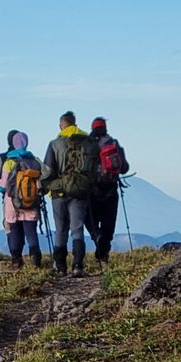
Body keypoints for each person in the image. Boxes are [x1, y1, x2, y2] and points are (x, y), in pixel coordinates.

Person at [41, 110, 97, 277]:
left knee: (61, 229)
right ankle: (78, 265)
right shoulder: (88, 143)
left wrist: (44, 185)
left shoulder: (54, 144)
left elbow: (47, 170)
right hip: (80, 192)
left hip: (58, 192)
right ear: (75, 124)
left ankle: (60, 267)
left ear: (61, 125)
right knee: (77, 229)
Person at [0, 130, 43, 268]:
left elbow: (2, 187)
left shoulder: (9, 162)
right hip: (30, 202)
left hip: (12, 203)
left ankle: (16, 260)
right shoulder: (35, 161)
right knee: (31, 232)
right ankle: (35, 258)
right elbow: (41, 184)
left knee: (14, 231)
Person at [86, 116, 130, 264]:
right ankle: (103, 255)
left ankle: (96, 237)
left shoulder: (87, 145)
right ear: (105, 128)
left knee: (91, 220)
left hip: (92, 190)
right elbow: (124, 168)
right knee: (108, 224)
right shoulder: (113, 144)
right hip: (110, 189)